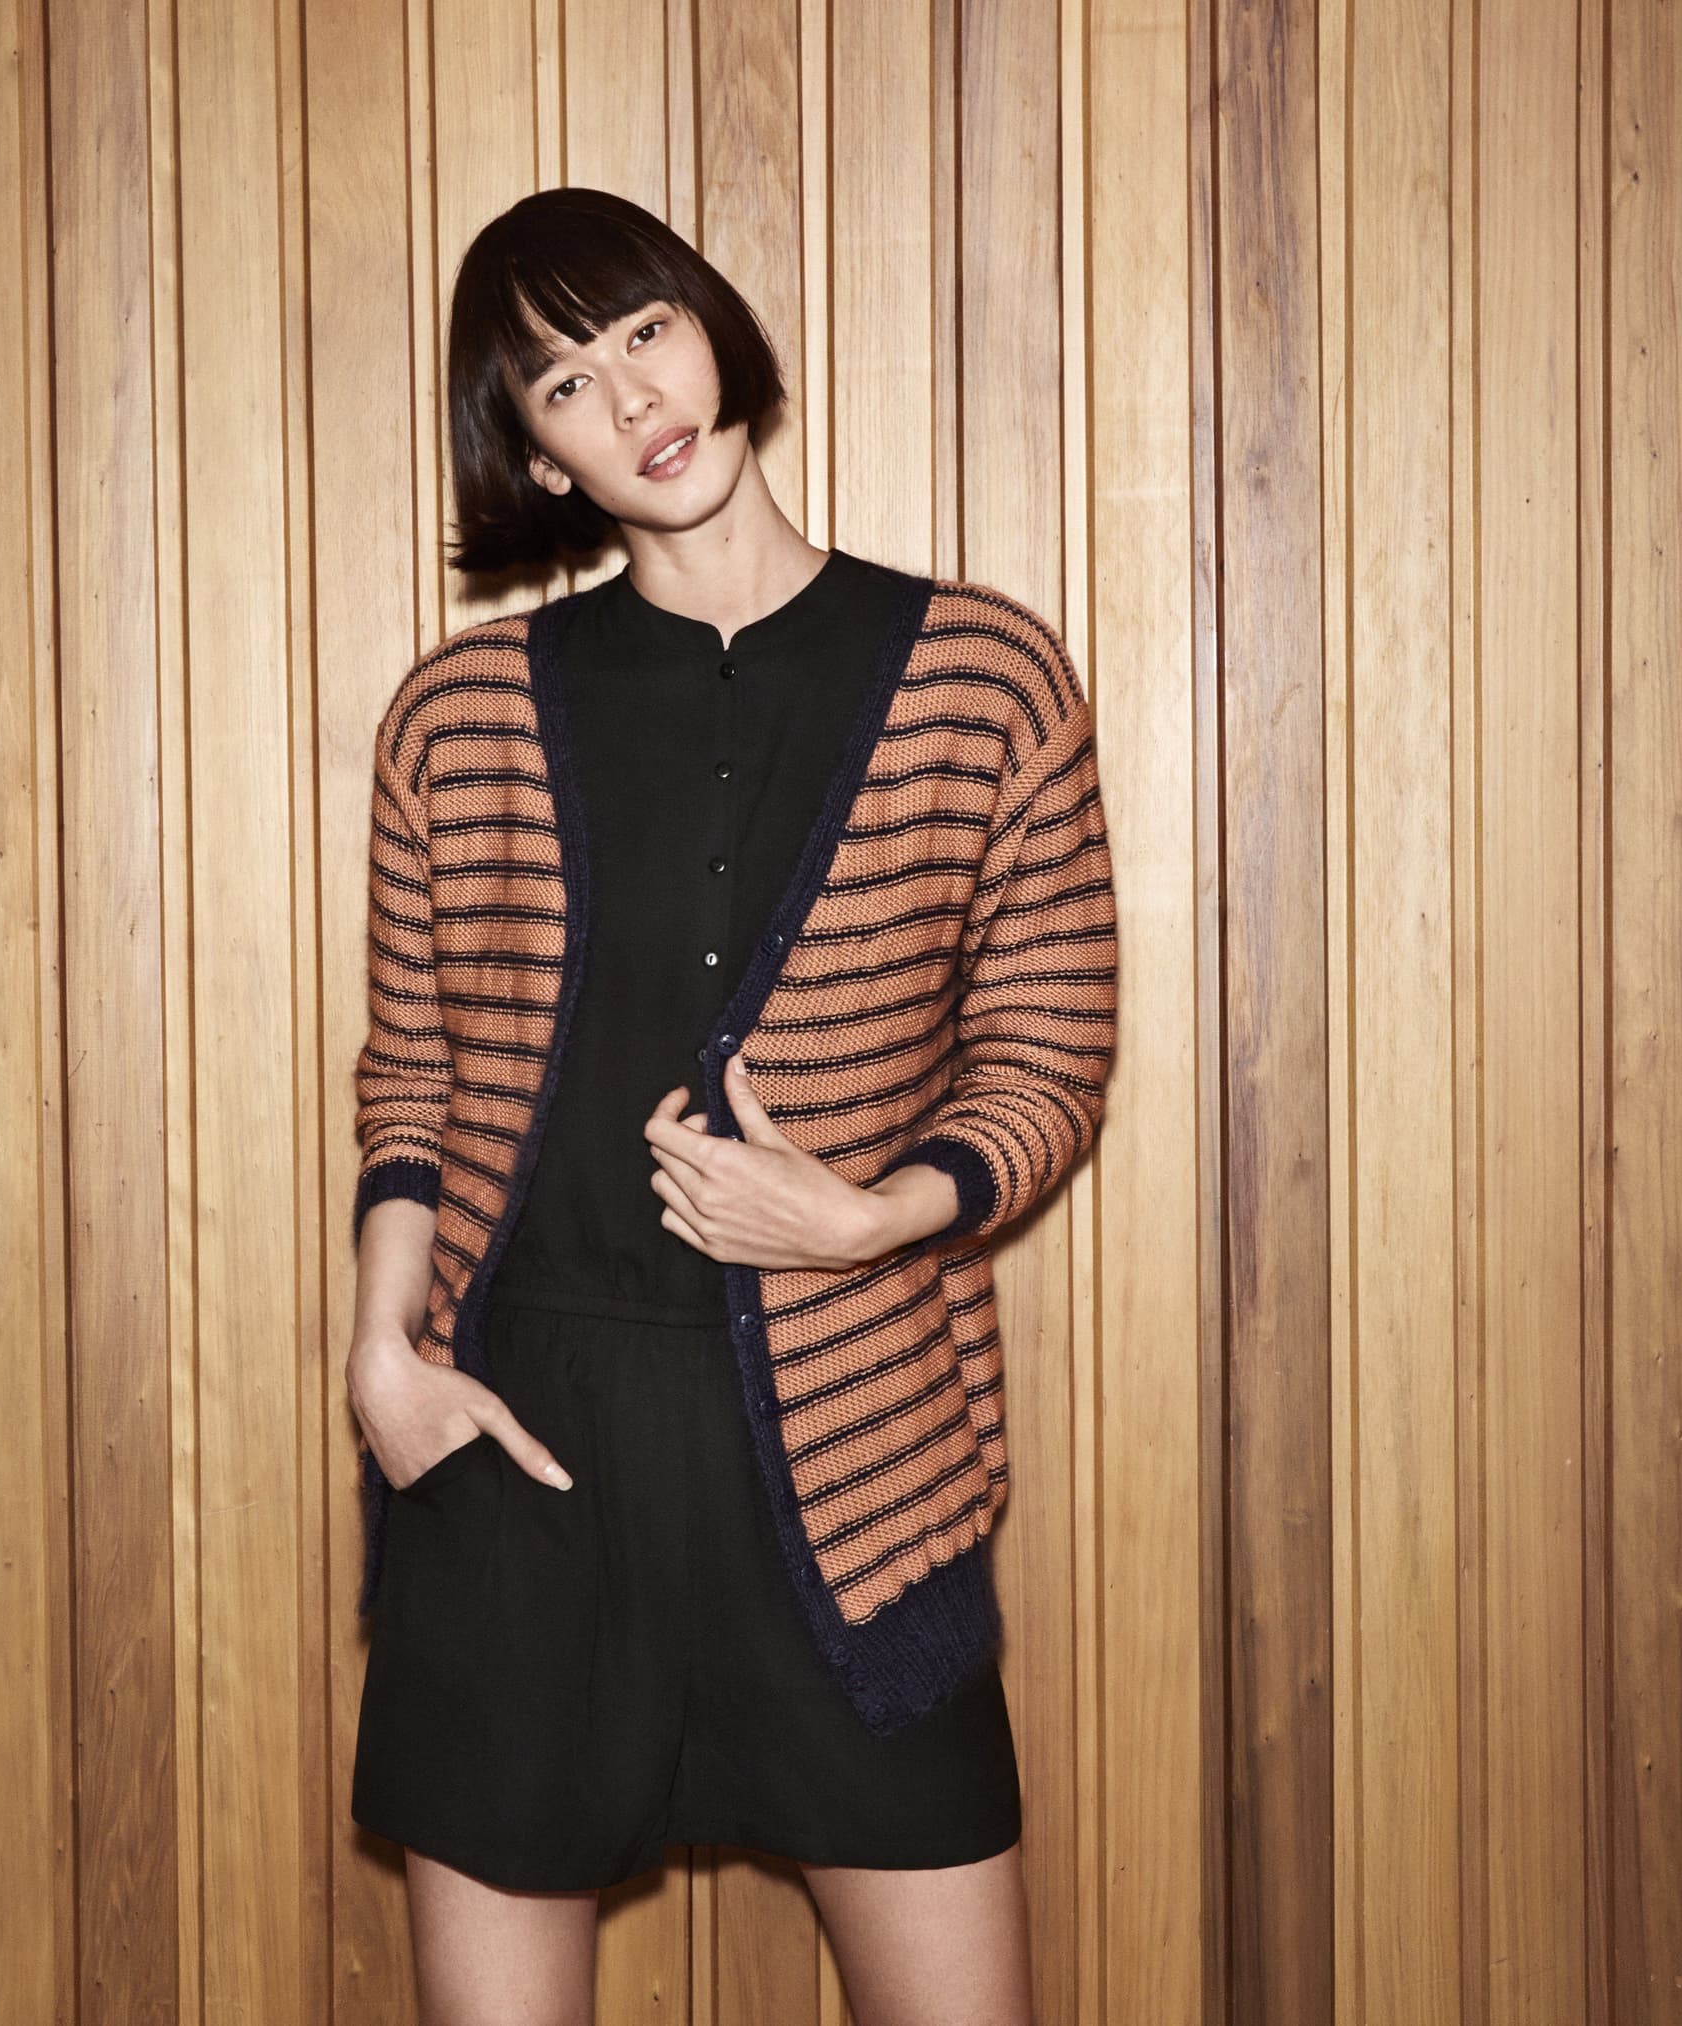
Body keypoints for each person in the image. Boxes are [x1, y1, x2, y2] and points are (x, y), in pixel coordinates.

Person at [343, 184, 1118, 2024]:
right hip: (519, 1445)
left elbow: (1049, 1041)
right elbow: (414, 1074)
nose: (629, 397)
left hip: (860, 1449)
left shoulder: (984, 677)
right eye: (561, 383)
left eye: (643, 330)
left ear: (713, 332)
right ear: (534, 455)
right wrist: (379, 1354)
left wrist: (870, 1213)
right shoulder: (456, 716)